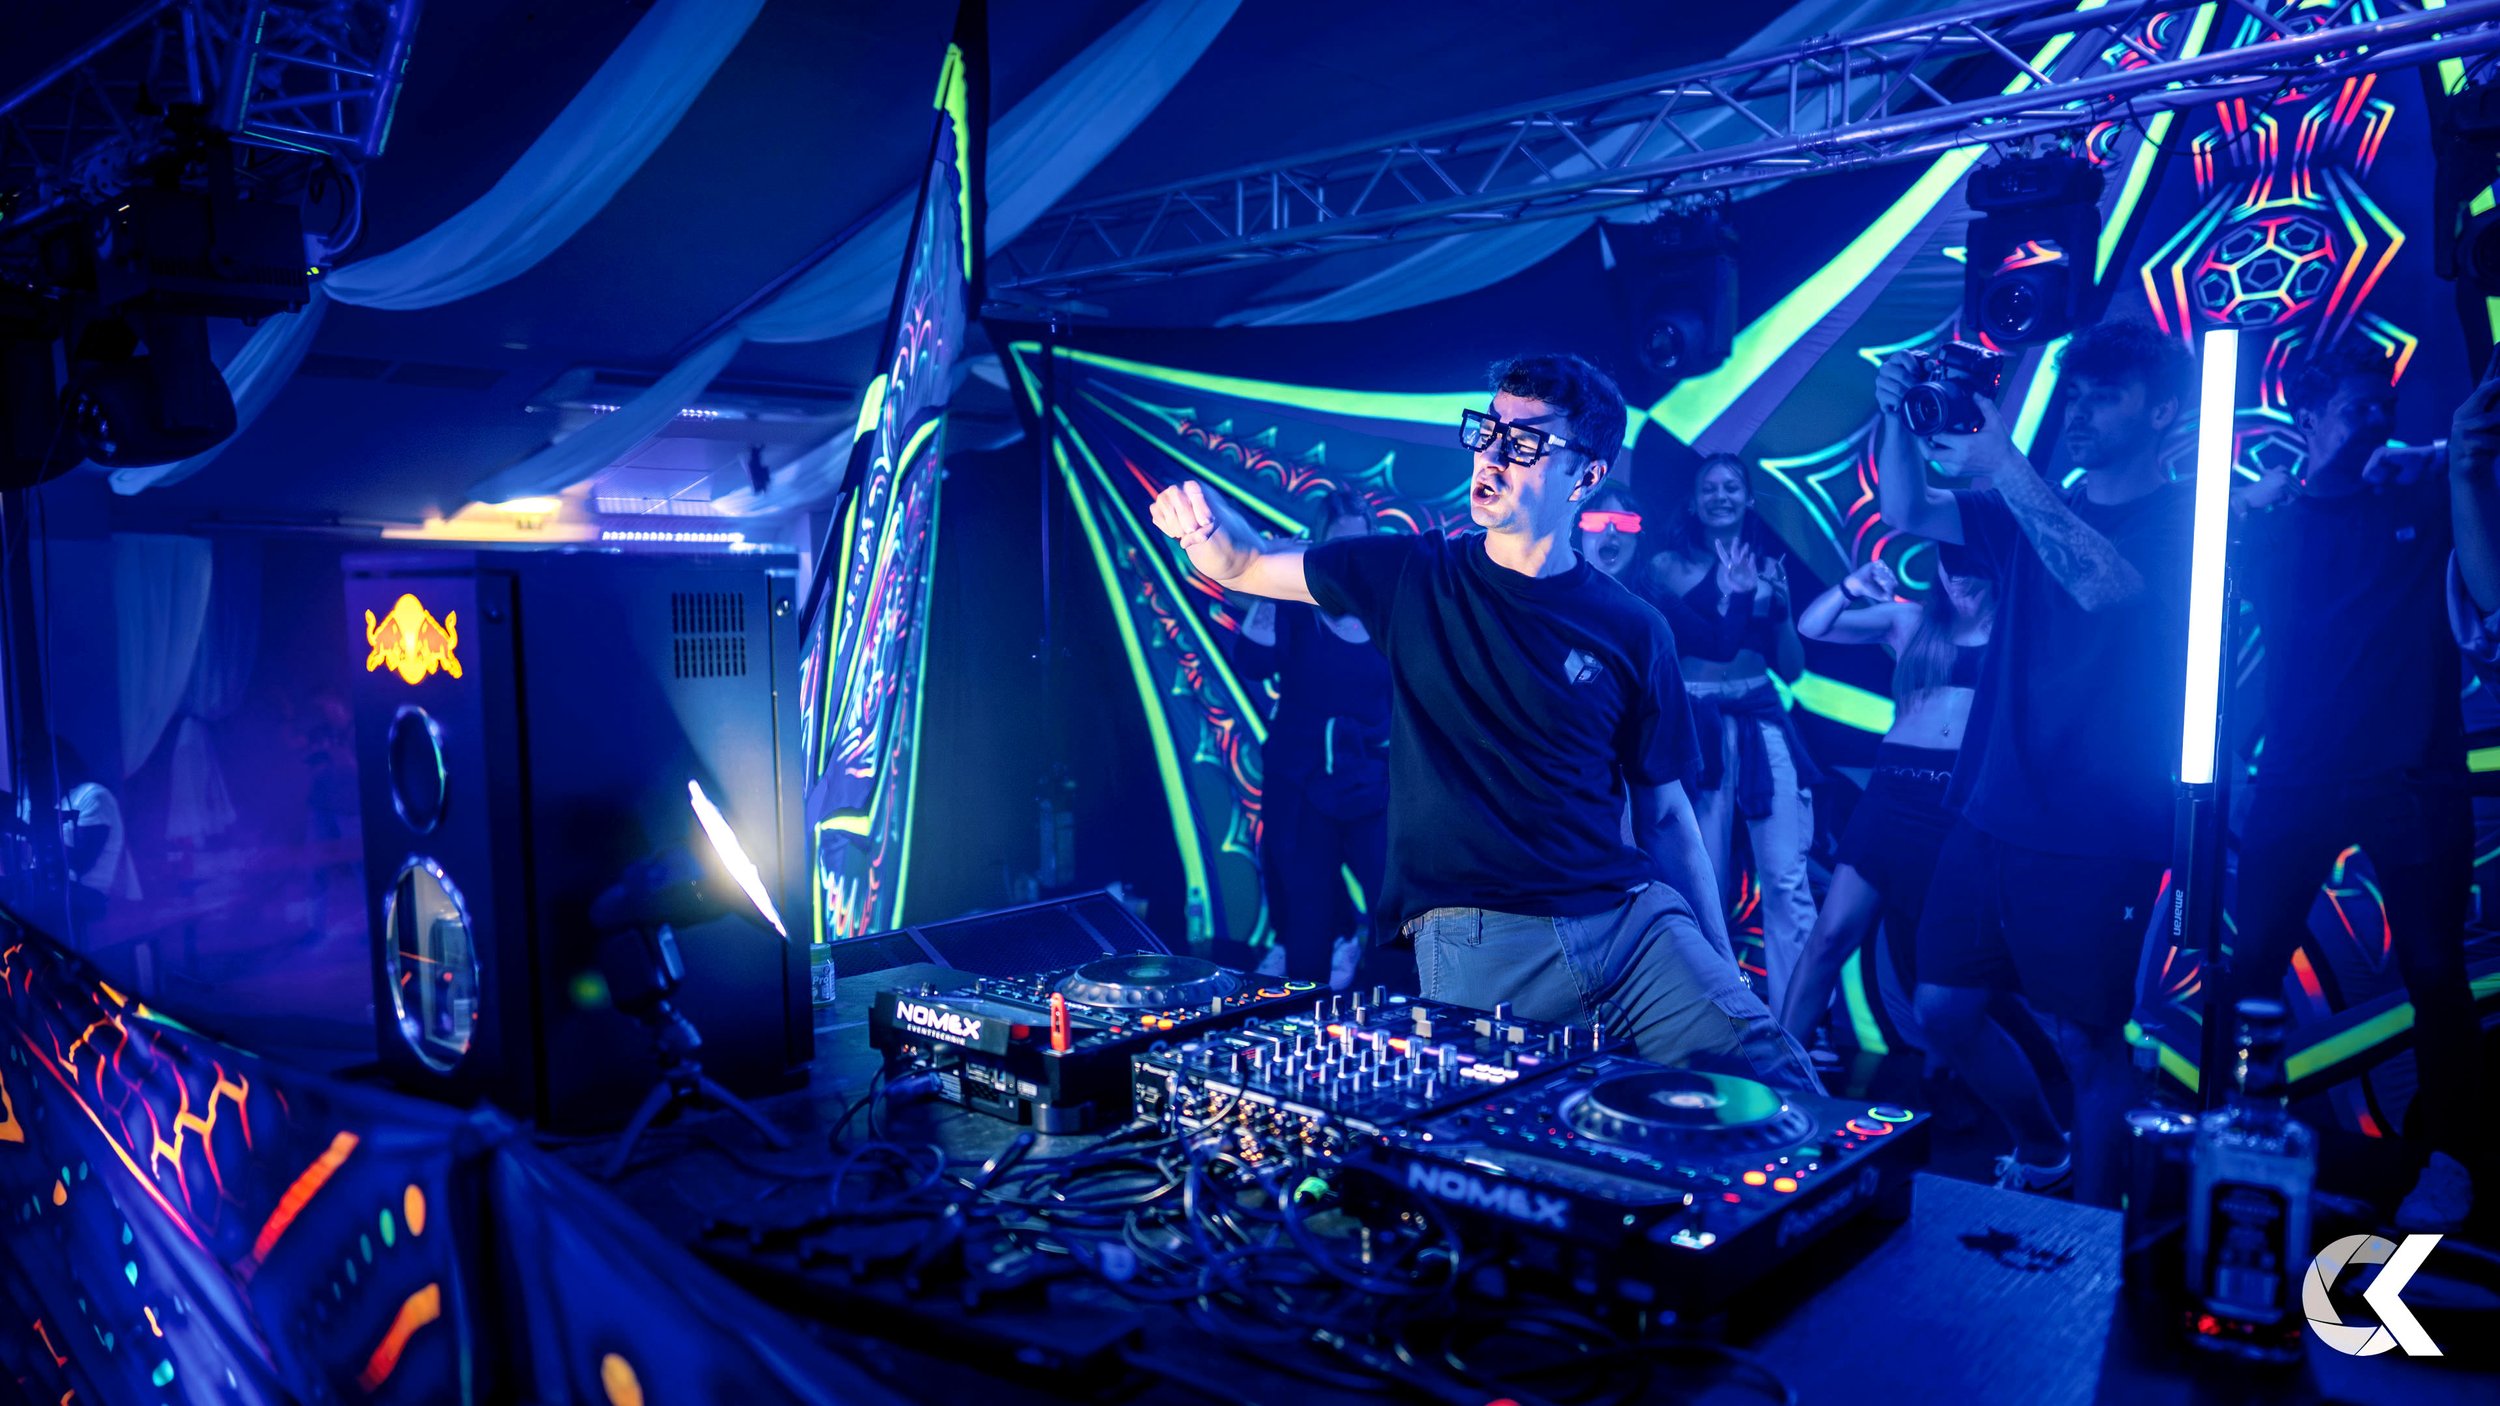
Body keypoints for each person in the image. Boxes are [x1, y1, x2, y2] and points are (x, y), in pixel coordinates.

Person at [1147, 352, 1818, 1091]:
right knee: (1523, 1153)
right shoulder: (1410, 575)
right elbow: (1242, 563)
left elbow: (1665, 815)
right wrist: (1200, 524)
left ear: (1586, 478)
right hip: (1484, 937)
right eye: (1487, 432)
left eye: (1524, 443)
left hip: (1634, 926)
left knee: (1779, 1087)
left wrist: (1717, 960)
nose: (1491, 456)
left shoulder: (1634, 626)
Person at [1876, 321, 2197, 1207]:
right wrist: (1894, 419)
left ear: (2163, 409)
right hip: (1989, 809)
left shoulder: (2189, 518)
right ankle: (2043, 1147)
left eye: (2107, 395)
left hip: (2101, 827)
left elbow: (2106, 587)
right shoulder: (2029, 501)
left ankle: (2095, 1246)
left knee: (2089, 1042)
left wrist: (2009, 466)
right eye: (2079, 392)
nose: (2082, 411)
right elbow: (1909, 510)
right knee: (1941, 1010)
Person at [1777, 545, 1997, 1058]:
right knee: (1830, 938)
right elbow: (1814, 625)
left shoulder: (2015, 632)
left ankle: (1944, 1083)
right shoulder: (1911, 620)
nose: (1958, 577)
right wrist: (1852, 586)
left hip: (1960, 803)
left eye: (1972, 566)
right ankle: (1783, 1071)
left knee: (1942, 961)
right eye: (1950, 564)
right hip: (1893, 793)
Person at [1644, 455, 1822, 1008]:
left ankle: (1798, 1022)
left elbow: (1791, 668)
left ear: (1748, 498)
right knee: (1705, 880)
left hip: (1762, 718)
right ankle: (1711, 1012)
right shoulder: (1668, 567)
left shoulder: (1770, 568)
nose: (1720, 496)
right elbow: (1693, 647)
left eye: (1731, 487)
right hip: (1698, 724)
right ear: (1695, 502)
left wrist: (1784, 612)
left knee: (1787, 879)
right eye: (1709, 488)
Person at [1231, 490, 1392, 990]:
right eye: (1339, 546)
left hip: (1372, 782)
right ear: (1320, 547)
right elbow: (1252, 664)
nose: (1350, 559)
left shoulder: (1388, 606)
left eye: (1359, 546)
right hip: (1301, 781)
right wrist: (1268, 582)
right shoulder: (1295, 604)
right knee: (1307, 918)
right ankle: (1303, 1028)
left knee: (1395, 912)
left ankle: (1398, 1025)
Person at [1576, 481, 1646, 583]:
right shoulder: (1555, 597)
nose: (1611, 531)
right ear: (1580, 535)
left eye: (1624, 522)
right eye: (1596, 520)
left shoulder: (1654, 597)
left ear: (1637, 540)